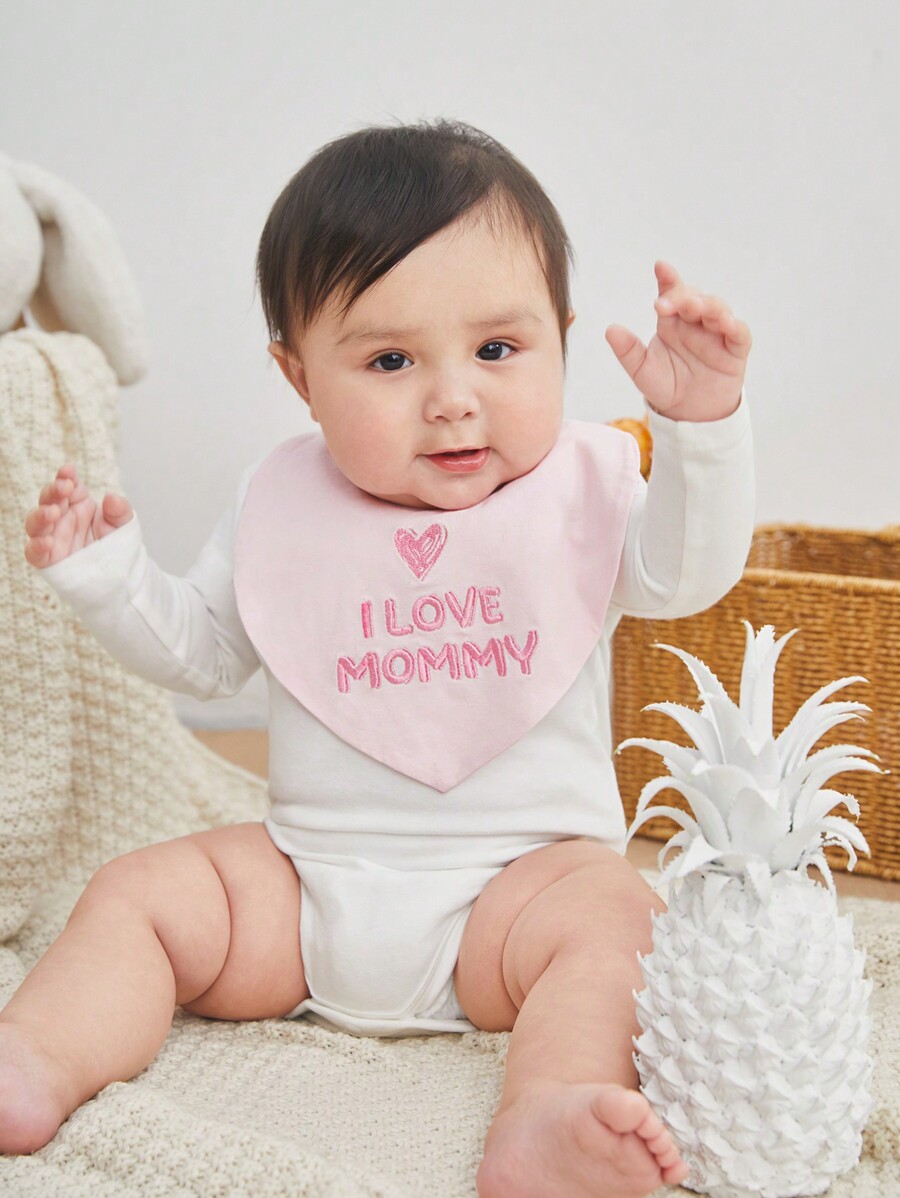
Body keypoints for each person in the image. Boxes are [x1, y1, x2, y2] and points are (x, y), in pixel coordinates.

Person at [4, 118, 754, 1197]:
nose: (453, 398)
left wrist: (700, 430)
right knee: (139, 891)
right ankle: (36, 1056)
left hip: (515, 902)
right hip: (304, 892)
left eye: (497, 350)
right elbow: (206, 654)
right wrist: (109, 579)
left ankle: (546, 1114)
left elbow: (686, 575)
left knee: (620, 918)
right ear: (300, 375)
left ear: (561, 338)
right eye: (391, 360)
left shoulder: (581, 489)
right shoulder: (281, 501)